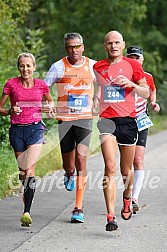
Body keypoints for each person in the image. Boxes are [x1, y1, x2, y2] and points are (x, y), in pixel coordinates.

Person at [92, 31, 149, 231]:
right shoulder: (98, 66)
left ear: (123, 45)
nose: (113, 46)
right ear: (105, 45)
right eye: (109, 43)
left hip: (128, 121)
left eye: (117, 42)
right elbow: (98, 89)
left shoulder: (133, 65)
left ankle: (127, 196)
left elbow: (146, 91)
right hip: (107, 120)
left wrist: (132, 84)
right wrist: (94, 101)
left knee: (126, 171)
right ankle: (110, 216)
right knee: (110, 166)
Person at [44, 32, 96, 223]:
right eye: (70, 47)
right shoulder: (58, 67)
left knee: (81, 158)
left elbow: (105, 84)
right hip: (64, 120)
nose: (74, 50)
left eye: (77, 46)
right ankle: (68, 173)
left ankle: (78, 208)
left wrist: (98, 98)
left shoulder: (92, 66)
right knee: (69, 162)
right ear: (66, 48)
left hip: (85, 119)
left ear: (83, 46)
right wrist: (48, 103)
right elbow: (43, 88)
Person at [0, 52, 54, 227]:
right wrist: (9, 111)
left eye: (28, 65)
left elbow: (49, 103)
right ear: (19, 67)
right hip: (17, 131)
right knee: (23, 172)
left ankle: (26, 212)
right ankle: (27, 190)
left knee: (30, 169)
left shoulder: (41, 85)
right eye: (22, 66)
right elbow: (0, 108)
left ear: (34, 67)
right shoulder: (11, 85)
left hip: (35, 129)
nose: (25, 69)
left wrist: (49, 108)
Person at [126, 46, 160, 213]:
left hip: (141, 121)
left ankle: (134, 198)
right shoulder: (121, 76)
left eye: (136, 57)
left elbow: (152, 90)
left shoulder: (147, 77)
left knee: (138, 160)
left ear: (142, 60)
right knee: (126, 162)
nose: (134, 60)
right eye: (130, 57)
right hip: (124, 122)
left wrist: (153, 102)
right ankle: (127, 195)